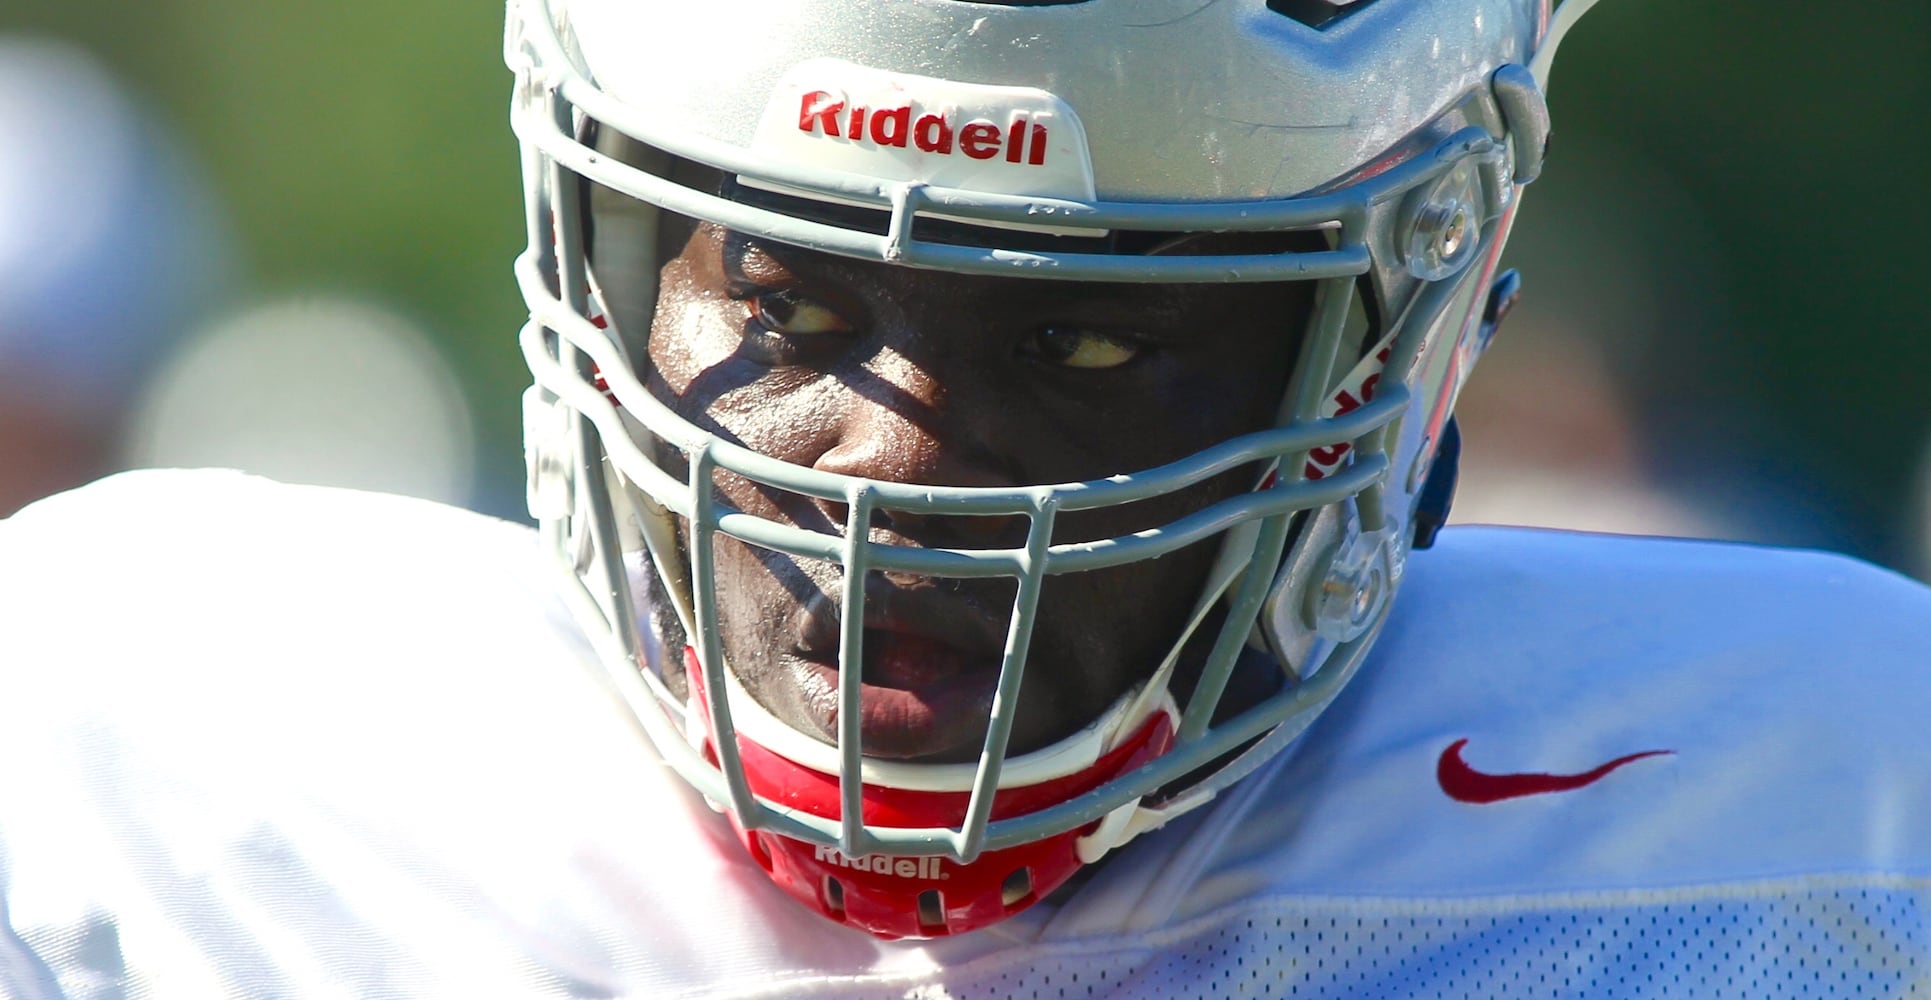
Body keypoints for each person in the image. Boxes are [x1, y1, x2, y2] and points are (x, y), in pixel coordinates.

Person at [4, 1, 1930, 997]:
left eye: (1084, 351)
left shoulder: (1826, 832)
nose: (899, 469)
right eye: (786, 297)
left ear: (1395, 333)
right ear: (609, 256)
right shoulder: (122, 782)